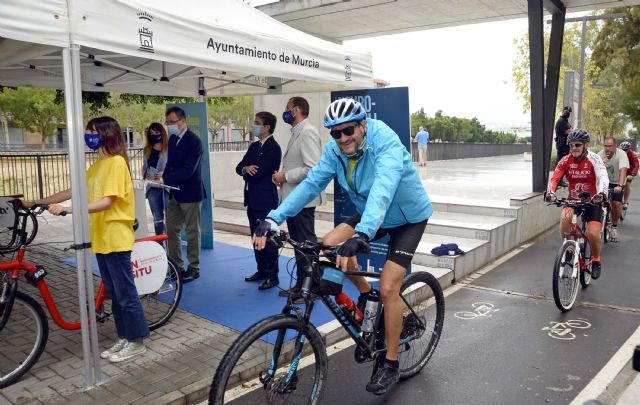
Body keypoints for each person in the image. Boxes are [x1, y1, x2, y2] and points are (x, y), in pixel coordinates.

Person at [255, 98, 432, 395]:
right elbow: (311, 184)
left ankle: (390, 362)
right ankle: (365, 294)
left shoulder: (384, 141)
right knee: (329, 245)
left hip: (407, 216)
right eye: (336, 133)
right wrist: (274, 218)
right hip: (371, 213)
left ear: (362, 125)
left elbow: (383, 187)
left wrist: (362, 233)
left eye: (348, 130)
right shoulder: (334, 151)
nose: (342, 138)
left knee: (389, 286)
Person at [26, 116, 149, 362]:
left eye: (93, 132)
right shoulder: (98, 165)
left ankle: (137, 341)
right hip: (101, 237)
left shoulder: (116, 163)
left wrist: (68, 210)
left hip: (115, 237)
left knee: (125, 294)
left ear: (107, 134)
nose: (89, 136)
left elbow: (107, 202)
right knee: (114, 294)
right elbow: (73, 190)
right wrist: (37, 202)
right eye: (88, 132)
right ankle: (125, 336)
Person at [271, 97, 324, 298]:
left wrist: (285, 176)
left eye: (287, 108)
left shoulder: (307, 132)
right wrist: (281, 177)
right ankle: (302, 285)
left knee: (306, 244)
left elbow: (312, 168)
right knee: (299, 245)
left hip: (304, 201)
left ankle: (312, 288)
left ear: (296, 110)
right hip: (295, 200)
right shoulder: (297, 132)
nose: (285, 112)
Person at [546, 129, 608, 279]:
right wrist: (550, 193)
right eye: (571, 145)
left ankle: (596, 260)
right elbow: (555, 178)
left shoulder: (594, 159)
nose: (574, 148)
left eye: (577, 145)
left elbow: (603, 177)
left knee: (593, 233)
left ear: (585, 145)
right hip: (573, 200)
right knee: (565, 220)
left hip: (593, 200)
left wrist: (601, 194)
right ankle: (568, 250)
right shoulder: (565, 160)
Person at [236, 112, 282, 290]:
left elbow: (260, 171)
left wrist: (248, 170)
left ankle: (272, 276)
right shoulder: (254, 146)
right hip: (252, 200)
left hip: (266, 200)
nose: (254, 125)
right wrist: (246, 168)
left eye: (257, 123)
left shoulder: (273, 148)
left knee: (268, 240)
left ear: (267, 127)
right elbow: (239, 167)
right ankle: (261, 270)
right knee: (255, 237)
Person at [161, 106, 205, 283]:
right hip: (174, 194)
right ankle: (176, 267)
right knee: (171, 229)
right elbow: (170, 165)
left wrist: (165, 179)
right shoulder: (172, 140)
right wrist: (162, 176)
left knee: (192, 232)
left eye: (172, 122)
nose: (169, 125)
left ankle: (194, 268)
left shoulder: (194, 141)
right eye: (167, 122)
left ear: (183, 121)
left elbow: (189, 170)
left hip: (191, 194)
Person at [598, 136, 629, 241]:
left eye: (610, 146)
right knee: (596, 202)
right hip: (604, 183)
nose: (608, 148)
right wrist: (602, 162)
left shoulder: (621, 154)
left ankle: (614, 227)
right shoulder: (599, 155)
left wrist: (619, 185)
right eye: (606, 146)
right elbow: (593, 170)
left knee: (616, 204)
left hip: (616, 182)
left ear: (615, 146)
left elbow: (623, 170)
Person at [142, 123, 169, 235]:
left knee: (170, 218)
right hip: (152, 188)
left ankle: (171, 243)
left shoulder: (169, 149)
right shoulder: (146, 150)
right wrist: (145, 174)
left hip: (166, 188)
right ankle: (159, 243)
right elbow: (144, 167)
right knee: (157, 219)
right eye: (151, 133)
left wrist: (165, 174)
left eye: (156, 132)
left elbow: (175, 167)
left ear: (162, 133)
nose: (154, 135)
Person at [619, 141, 638, 210]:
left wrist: (633, 174)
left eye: (626, 150)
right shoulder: (618, 153)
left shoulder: (633, 155)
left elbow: (636, 165)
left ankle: (625, 202)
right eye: (622, 150)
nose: (624, 151)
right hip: (621, 170)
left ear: (629, 149)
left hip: (629, 172)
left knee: (627, 184)